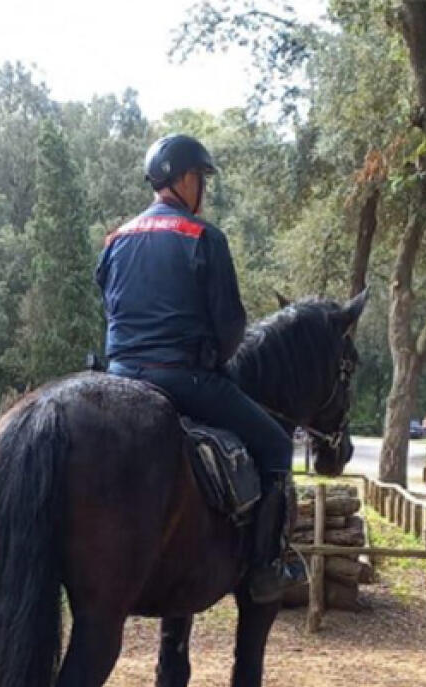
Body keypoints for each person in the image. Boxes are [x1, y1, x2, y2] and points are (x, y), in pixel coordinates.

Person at [96, 133, 298, 602]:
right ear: (185, 179)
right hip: (184, 378)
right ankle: (267, 566)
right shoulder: (204, 238)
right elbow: (230, 329)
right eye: (200, 178)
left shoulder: (116, 239)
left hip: (120, 376)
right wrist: (213, 357)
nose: (201, 188)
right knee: (275, 445)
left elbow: (111, 304)